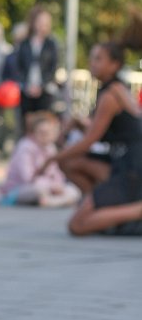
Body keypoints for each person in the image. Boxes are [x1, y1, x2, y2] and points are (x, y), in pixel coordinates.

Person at [46, 40, 142, 236]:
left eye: (98, 59)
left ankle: (133, 210)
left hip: (132, 168)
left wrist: (52, 159)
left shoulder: (113, 94)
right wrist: (77, 125)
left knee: (77, 225)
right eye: (92, 58)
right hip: (120, 162)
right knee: (72, 163)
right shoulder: (110, 90)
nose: (92, 63)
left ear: (114, 65)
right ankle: (104, 211)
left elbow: (89, 141)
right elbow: (100, 133)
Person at [2, 112, 80, 207]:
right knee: (39, 189)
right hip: (21, 188)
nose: (46, 136)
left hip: (48, 187)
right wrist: (51, 186)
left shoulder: (50, 147)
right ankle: (55, 201)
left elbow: (56, 173)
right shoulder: (25, 147)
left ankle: (51, 202)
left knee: (73, 191)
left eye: (49, 132)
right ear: (33, 132)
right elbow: (27, 178)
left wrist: (57, 185)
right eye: (42, 132)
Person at [17, 6, 59, 119]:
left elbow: (53, 68)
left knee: (43, 120)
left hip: (45, 91)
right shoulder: (24, 43)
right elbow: (18, 66)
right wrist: (26, 85)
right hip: (26, 90)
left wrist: (42, 86)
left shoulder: (51, 44)